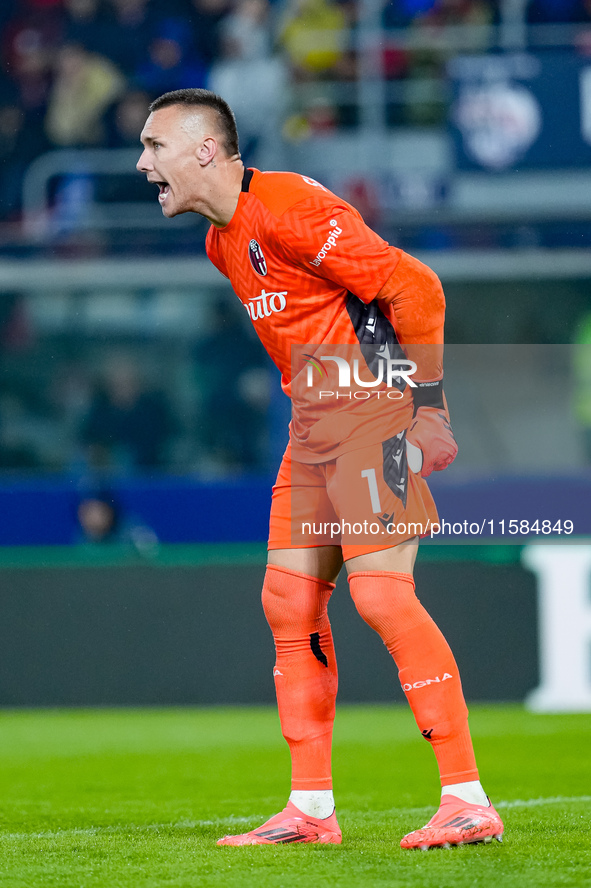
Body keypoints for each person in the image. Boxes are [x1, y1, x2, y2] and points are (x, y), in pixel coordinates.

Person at [137, 87, 504, 849]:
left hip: (371, 415)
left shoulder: (289, 207)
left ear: (206, 150)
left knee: (381, 600)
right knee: (286, 606)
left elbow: (413, 285)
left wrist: (427, 410)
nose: (143, 165)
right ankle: (309, 810)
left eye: (155, 147)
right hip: (313, 431)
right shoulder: (220, 241)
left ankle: (466, 798)